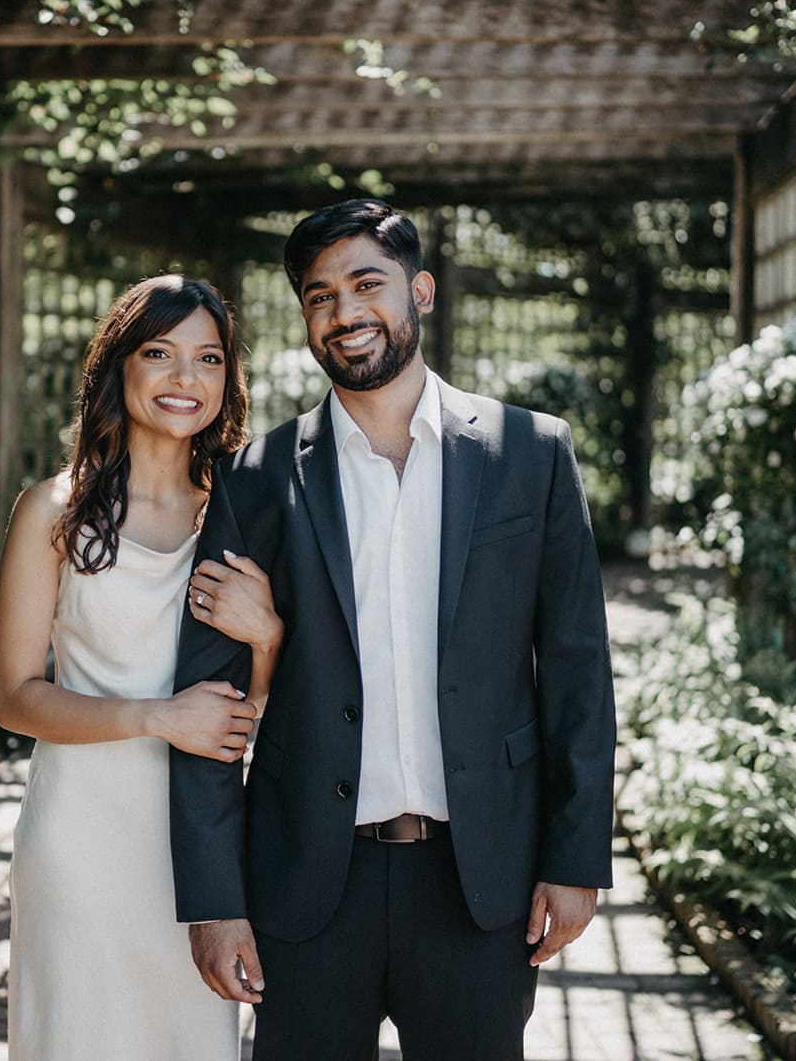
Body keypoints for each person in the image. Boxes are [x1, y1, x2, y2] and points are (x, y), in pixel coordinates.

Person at [171, 199, 617, 1060]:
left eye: (365, 284)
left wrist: (575, 859)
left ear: (421, 290)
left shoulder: (532, 452)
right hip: (305, 884)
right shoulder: (254, 479)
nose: (344, 313)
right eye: (318, 296)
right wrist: (215, 900)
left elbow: (577, 671)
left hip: (478, 882)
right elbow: (208, 708)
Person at [0, 275, 282, 1060]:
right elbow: (15, 698)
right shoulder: (54, 511)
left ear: (229, 380)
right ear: (119, 366)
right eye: (161, 352)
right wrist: (157, 716)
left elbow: (261, 712)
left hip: (201, 846)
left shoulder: (247, 513)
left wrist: (269, 638)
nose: (186, 379)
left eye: (209, 358)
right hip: (80, 839)